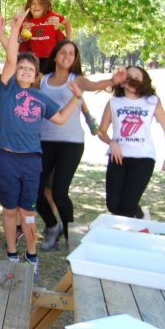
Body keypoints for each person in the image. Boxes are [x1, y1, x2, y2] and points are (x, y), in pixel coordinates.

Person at [0, 9, 84, 282]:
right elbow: (9, 57)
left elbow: (62, 117)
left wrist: (76, 98)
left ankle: (31, 255)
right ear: (16, 71)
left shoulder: (41, 98)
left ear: (35, 76)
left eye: (30, 69)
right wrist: (13, 29)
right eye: (22, 67)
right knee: (9, 210)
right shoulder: (6, 90)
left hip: (31, 160)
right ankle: (11, 253)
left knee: (27, 212)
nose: (25, 71)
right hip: (6, 158)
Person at [36, 40, 126, 250]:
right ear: (55, 55)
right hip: (45, 142)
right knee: (35, 191)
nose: (67, 56)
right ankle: (52, 226)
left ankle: (70, 237)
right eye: (63, 52)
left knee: (59, 191)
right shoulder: (43, 80)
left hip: (71, 143)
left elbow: (93, 86)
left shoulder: (76, 79)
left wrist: (112, 80)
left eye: (72, 54)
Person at [97, 66, 165, 219]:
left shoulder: (152, 101)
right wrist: (112, 142)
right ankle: (136, 218)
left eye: (137, 76)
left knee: (127, 206)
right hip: (117, 158)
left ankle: (136, 220)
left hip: (143, 158)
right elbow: (101, 131)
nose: (132, 78)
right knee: (113, 205)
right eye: (128, 75)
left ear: (144, 81)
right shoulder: (113, 103)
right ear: (121, 82)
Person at [18, 0, 71, 73]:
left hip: (52, 58)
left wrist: (68, 40)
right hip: (35, 60)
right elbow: (19, 43)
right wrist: (23, 32)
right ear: (29, 5)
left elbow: (67, 23)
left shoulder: (52, 16)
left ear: (45, 5)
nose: (36, 6)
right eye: (33, 3)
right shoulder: (25, 20)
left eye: (40, 3)